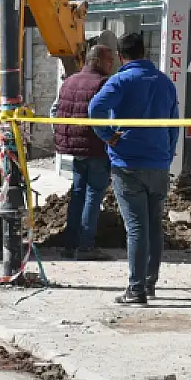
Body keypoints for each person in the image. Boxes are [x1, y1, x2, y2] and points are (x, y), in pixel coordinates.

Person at [88, 33, 179, 305]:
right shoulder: (164, 82)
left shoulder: (121, 80)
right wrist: (167, 152)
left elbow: (95, 108)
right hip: (158, 162)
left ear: (120, 56)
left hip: (128, 163)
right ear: (145, 51)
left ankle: (136, 289)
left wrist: (107, 135)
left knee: (137, 227)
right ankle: (149, 283)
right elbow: (174, 122)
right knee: (154, 225)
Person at [51, 45, 116, 261]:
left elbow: (55, 110)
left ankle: (70, 245)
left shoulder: (70, 81)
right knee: (93, 195)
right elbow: (106, 115)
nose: (112, 65)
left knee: (78, 193)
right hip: (96, 147)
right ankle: (86, 246)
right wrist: (111, 137)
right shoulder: (103, 83)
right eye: (109, 61)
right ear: (96, 61)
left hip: (75, 148)